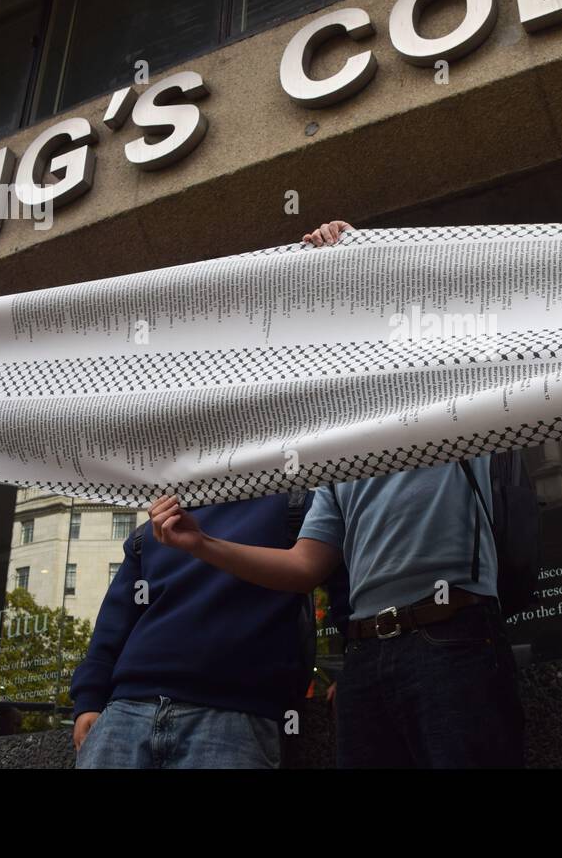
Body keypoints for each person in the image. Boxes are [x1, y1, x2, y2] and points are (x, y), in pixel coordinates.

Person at [150, 219, 525, 768]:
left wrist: (362, 257)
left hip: (455, 638)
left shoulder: (455, 405)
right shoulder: (340, 460)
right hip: (366, 657)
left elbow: (456, 307)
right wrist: (201, 544)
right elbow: (305, 567)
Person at [70, 492, 311, 768]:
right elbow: (113, 623)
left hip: (234, 713)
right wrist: (89, 699)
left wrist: (353, 658)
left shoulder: (294, 504)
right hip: (125, 712)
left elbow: (339, 573)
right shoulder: (154, 527)